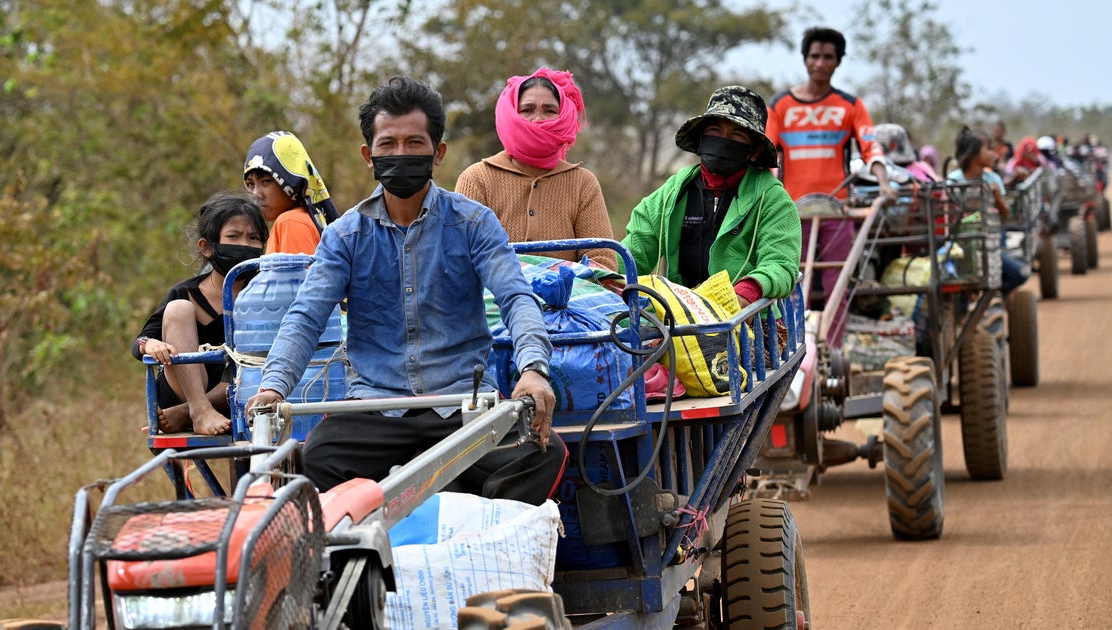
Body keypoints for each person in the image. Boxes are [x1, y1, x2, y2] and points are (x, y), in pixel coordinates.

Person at [244, 76, 567, 505]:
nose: (401, 154)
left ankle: (476, 544)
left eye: (415, 143)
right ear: (368, 155)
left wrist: (533, 368)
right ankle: (364, 563)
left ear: (438, 153)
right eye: (388, 144)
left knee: (541, 453)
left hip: (462, 408)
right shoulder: (345, 236)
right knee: (314, 460)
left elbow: (515, 297)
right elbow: (307, 315)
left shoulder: (473, 223)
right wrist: (274, 386)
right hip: (375, 411)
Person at [764, 26, 896, 344]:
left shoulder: (849, 105)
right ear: (805, 60)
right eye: (814, 56)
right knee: (793, 281)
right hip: (792, 213)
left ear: (837, 62)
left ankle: (832, 351)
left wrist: (883, 181)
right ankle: (794, 349)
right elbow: (766, 155)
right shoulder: (781, 105)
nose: (820, 63)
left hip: (837, 212)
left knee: (839, 281)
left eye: (828, 57)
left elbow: (870, 146)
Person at [622, 85, 801, 307]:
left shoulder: (773, 200)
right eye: (715, 130)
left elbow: (780, 263)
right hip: (681, 317)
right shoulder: (672, 193)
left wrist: (745, 294)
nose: (723, 140)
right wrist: (601, 274)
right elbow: (632, 253)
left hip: (746, 322)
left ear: (754, 151)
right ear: (701, 139)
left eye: (737, 134)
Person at [133, 192, 268, 435]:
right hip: (185, 387)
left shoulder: (266, 292)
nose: (244, 245)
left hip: (242, 394)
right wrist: (151, 344)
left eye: (253, 238)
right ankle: (196, 407)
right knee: (178, 309)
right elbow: (140, 342)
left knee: (250, 363)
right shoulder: (187, 291)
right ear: (207, 247)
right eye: (233, 237)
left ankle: (188, 412)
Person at [455, 68, 615, 270]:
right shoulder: (477, 179)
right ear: (510, 113)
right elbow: (460, 258)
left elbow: (602, 260)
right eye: (527, 110)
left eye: (549, 110)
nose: (538, 119)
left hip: (570, 299)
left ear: (563, 115)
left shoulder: (583, 183)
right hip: (495, 299)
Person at [945, 126, 1030, 295]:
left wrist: (997, 197)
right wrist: (977, 216)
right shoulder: (953, 182)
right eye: (989, 149)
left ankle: (998, 294)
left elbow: (1005, 214)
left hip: (991, 246)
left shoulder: (993, 179)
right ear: (974, 154)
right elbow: (952, 219)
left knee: (1020, 273)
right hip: (963, 248)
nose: (995, 154)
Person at [243, 130, 340, 254]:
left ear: (291, 179)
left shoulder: (291, 222)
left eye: (266, 181)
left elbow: (299, 274)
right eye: (250, 184)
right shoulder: (303, 220)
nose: (256, 193)